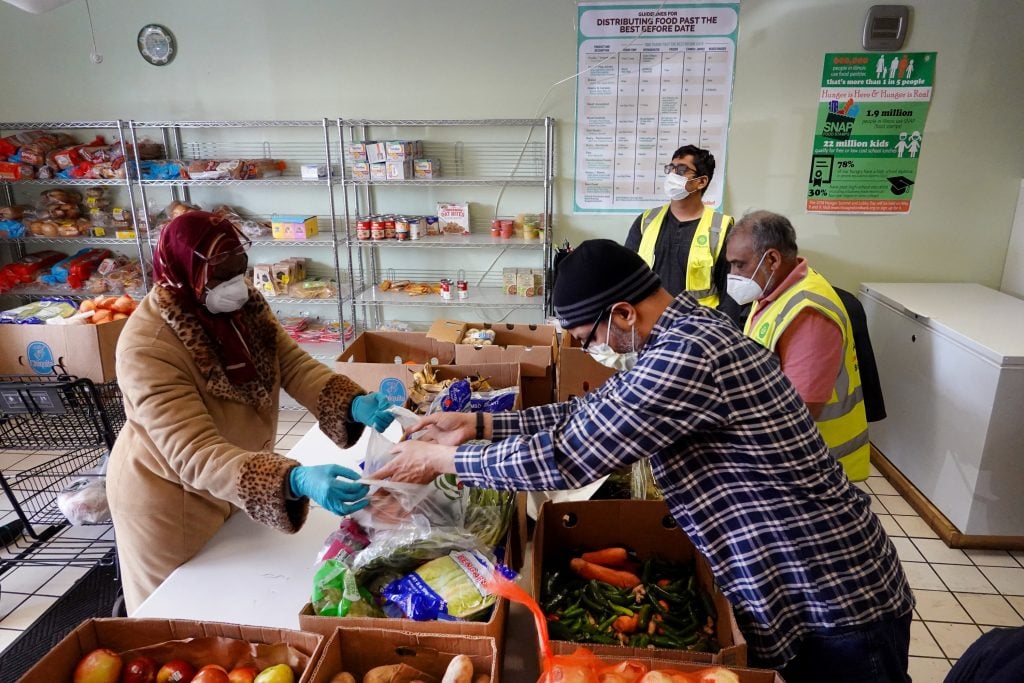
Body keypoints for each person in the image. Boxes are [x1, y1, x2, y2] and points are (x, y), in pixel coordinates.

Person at [374, 239, 915, 683]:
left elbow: (569, 457)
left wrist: (444, 461)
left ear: (624, 313)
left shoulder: (687, 357)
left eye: (589, 337)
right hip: (797, 577)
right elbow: (595, 410)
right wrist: (481, 425)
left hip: (833, 595)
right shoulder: (681, 335)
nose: (593, 349)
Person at [107, 211, 395, 612]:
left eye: (238, 268)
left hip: (234, 476)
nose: (236, 286)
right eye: (220, 274)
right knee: (184, 615)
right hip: (172, 501)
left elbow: (292, 364)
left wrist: (350, 401)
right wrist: (291, 479)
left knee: (246, 598)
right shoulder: (147, 347)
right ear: (184, 273)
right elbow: (194, 453)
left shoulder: (243, 307)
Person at [723, 210, 870, 481]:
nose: (733, 275)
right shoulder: (775, 289)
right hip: (788, 452)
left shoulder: (807, 312)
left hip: (815, 462)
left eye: (739, 265)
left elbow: (800, 411)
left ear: (772, 259)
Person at [624, 144, 743, 326]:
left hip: (699, 330)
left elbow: (731, 293)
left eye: (681, 170)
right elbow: (625, 276)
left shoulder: (721, 228)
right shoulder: (647, 220)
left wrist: (723, 333)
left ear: (701, 182)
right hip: (649, 327)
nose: (673, 175)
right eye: (670, 168)